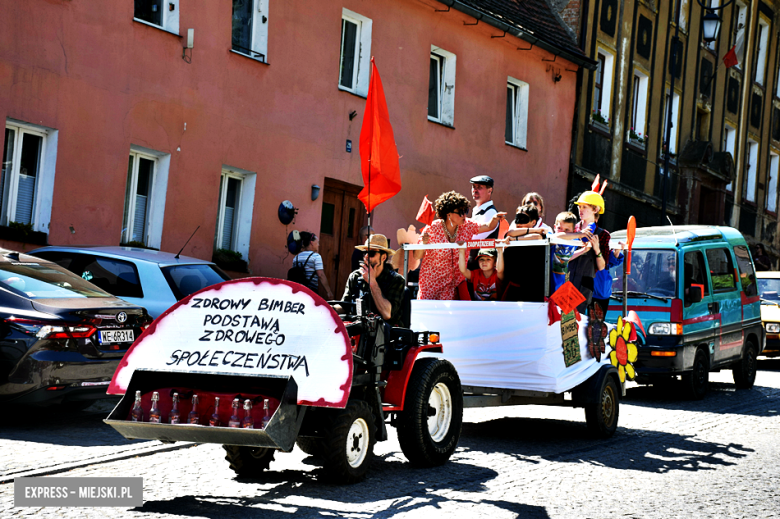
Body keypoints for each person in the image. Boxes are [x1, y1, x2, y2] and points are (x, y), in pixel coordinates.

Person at [415, 191, 506, 300]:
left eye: (466, 211)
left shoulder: (467, 225)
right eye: (460, 212)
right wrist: (424, 244)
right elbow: (417, 256)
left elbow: (488, 226)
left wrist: (495, 219)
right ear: (448, 214)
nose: (464, 215)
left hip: (454, 284)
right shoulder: (433, 228)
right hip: (432, 284)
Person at [340, 234, 406, 326]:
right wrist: (327, 308)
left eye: (371, 253)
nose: (366, 257)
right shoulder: (355, 276)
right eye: (364, 253)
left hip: (385, 335)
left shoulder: (397, 280)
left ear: (383, 257)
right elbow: (344, 306)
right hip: (358, 331)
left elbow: (387, 314)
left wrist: (372, 282)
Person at [291, 232, 334, 300]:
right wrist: (328, 291)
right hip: (310, 291)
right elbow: (320, 275)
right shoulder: (316, 256)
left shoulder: (296, 258)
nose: (318, 245)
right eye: (317, 242)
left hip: (297, 291)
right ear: (312, 243)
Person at [551, 211, 579, 291]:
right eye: (559, 228)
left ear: (573, 230)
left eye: (567, 229)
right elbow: (558, 236)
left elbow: (567, 258)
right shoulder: (551, 238)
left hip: (561, 284)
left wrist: (584, 250)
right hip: (548, 282)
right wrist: (579, 234)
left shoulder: (574, 241)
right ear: (554, 227)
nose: (563, 232)